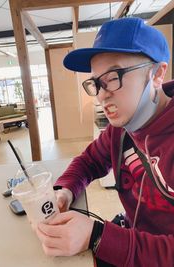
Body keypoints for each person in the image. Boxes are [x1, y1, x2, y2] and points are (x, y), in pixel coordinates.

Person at [34, 17, 174, 266]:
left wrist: (96, 235)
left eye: (113, 77)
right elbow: (88, 161)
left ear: (157, 73)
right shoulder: (119, 130)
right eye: (97, 83)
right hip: (132, 234)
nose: (101, 95)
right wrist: (64, 190)